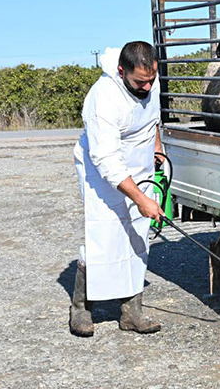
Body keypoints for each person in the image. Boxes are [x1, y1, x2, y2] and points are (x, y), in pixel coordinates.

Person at [69, 42, 165, 337]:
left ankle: (131, 313)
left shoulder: (148, 80)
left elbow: (153, 117)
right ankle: (81, 309)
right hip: (102, 171)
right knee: (105, 233)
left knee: (138, 234)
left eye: (151, 80)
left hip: (140, 163)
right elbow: (106, 159)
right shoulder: (103, 98)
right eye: (140, 82)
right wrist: (140, 199)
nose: (147, 87)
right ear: (122, 72)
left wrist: (157, 147)